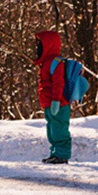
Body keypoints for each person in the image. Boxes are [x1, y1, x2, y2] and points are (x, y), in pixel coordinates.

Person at [33, 30, 71, 164]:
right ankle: (55, 153)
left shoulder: (56, 62)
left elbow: (58, 83)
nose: (38, 48)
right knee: (52, 129)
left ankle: (62, 155)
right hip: (50, 103)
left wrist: (56, 100)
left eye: (40, 44)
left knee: (59, 129)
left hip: (58, 103)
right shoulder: (46, 63)